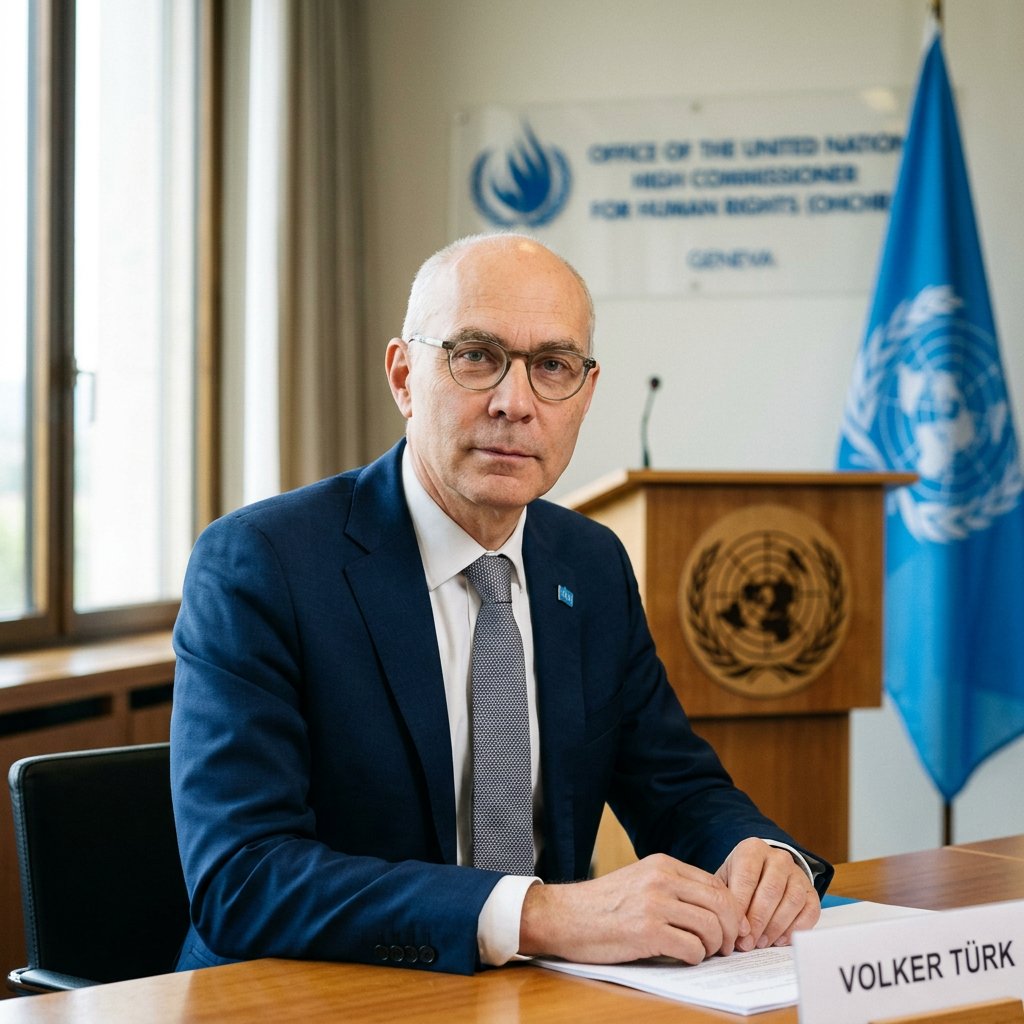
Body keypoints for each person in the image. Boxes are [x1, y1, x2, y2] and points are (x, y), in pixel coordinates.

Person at [170, 233, 830, 977]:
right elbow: (244, 878)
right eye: (476, 356)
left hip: (541, 997)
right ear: (403, 376)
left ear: (585, 393)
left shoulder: (591, 563)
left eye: (553, 366)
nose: (515, 404)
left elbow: (676, 788)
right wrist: (537, 913)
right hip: (312, 997)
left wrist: (758, 855)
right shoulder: (262, 564)